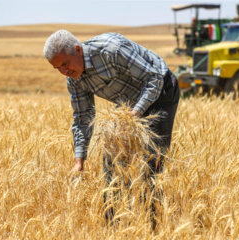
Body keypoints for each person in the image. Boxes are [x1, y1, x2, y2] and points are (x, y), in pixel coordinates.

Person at [43, 30, 179, 229]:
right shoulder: (73, 77)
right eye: (57, 68)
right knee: (111, 165)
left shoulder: (111, 50)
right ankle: (112, 229)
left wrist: (136, 112)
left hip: (161, 92)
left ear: (78, 50)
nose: (64, 71)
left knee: (151, 164)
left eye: (65, 64)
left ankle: (155, 228)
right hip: (127, 103)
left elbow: (154, 78)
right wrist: (79, 161)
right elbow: (83, 117)